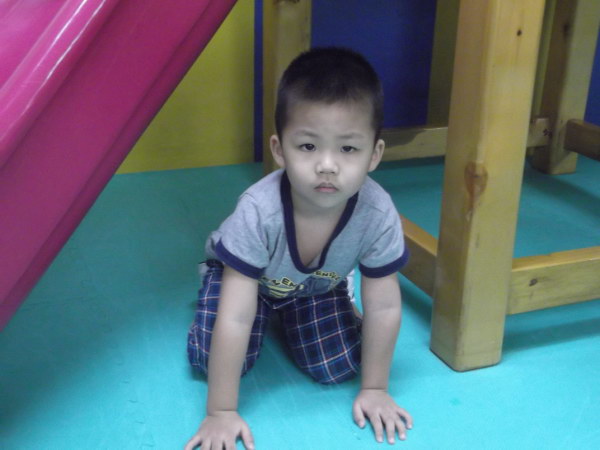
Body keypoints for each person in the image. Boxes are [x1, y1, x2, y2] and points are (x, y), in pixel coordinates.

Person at [185, 47, 413, 450]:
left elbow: (384, 306)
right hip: (245, 282)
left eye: (348, 148)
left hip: (313, 287)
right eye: (307, 146)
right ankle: (214, 289)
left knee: (337, 366)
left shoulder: (378, 213)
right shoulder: (259, 210)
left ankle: (327, 302)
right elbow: (236, 315)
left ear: (374, 154)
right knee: (210, 358)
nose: (327, 165)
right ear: (279, 150)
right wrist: (221, 412)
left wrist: (375, 388)